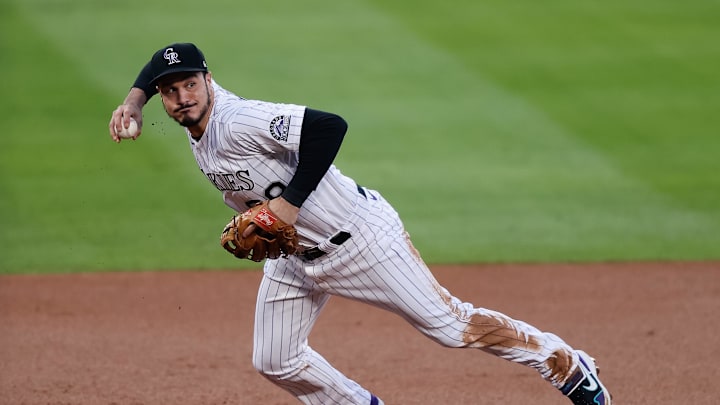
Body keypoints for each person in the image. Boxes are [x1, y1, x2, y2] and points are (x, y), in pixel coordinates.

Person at [108, 42, 612, 405]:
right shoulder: (190, 122)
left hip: (360, 238)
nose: (181, 97)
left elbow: (330, 127)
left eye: (190, 84)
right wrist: (133, 101)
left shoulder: (239, 120)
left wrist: (289, 205)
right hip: (294, 259)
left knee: (452, 327)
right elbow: (160, 62)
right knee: (275, 359)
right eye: (169, 92)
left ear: (209, 80)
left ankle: (564, 363)